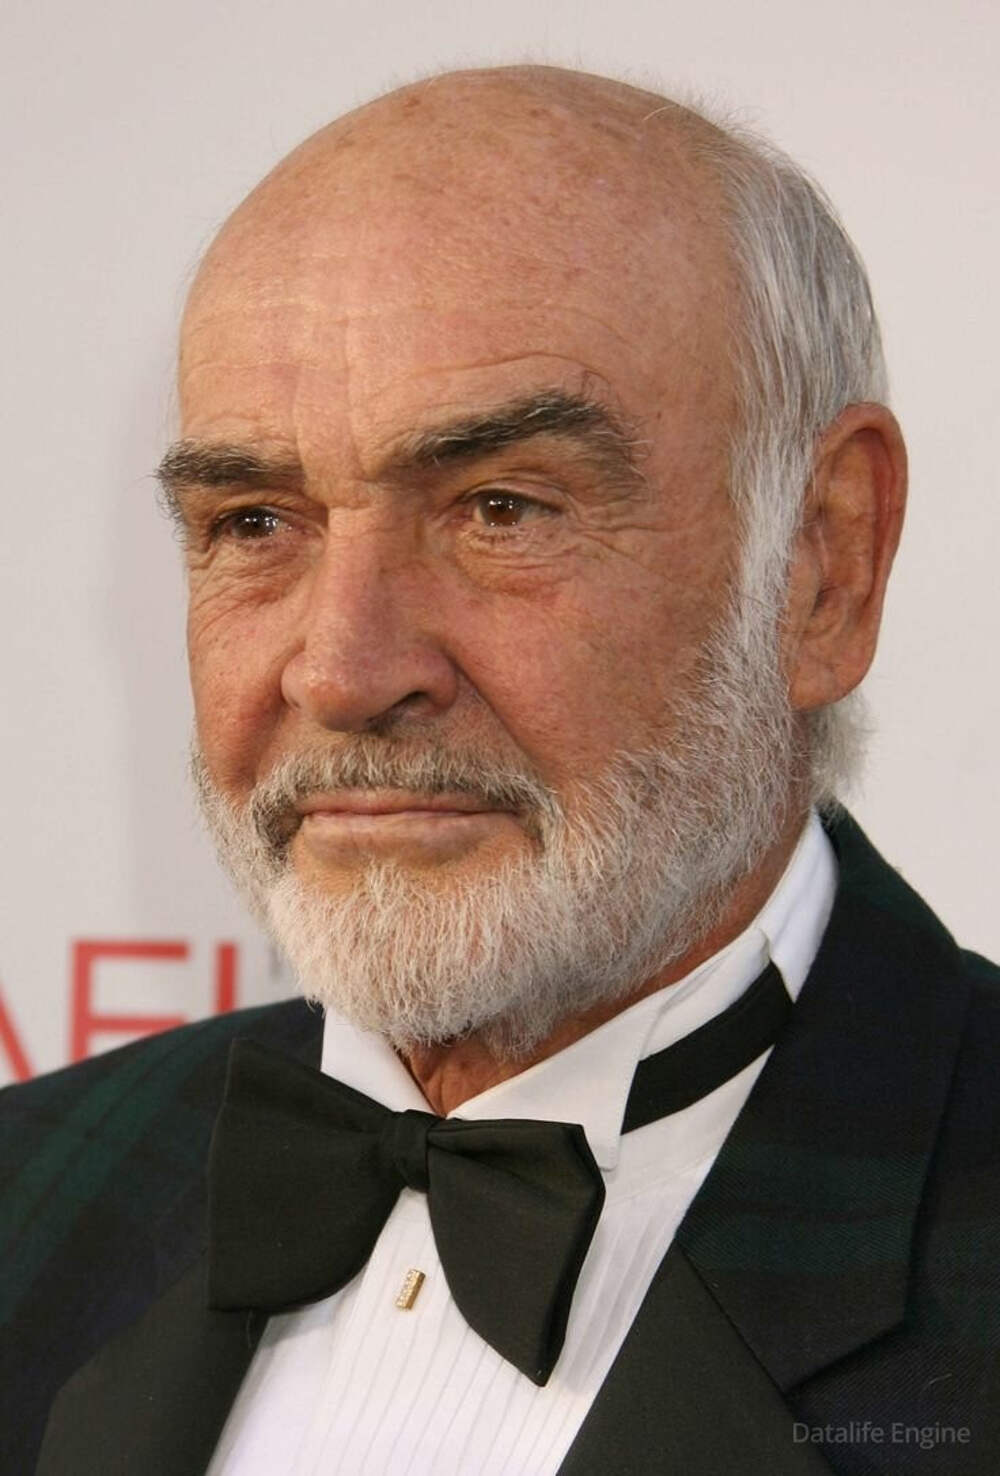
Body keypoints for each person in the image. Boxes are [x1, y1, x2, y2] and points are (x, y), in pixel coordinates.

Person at [3, 64, 998, 1476]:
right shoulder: (31, 1196)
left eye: (501, 508)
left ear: (823, 563)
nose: (344, 670)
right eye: (255, 522)